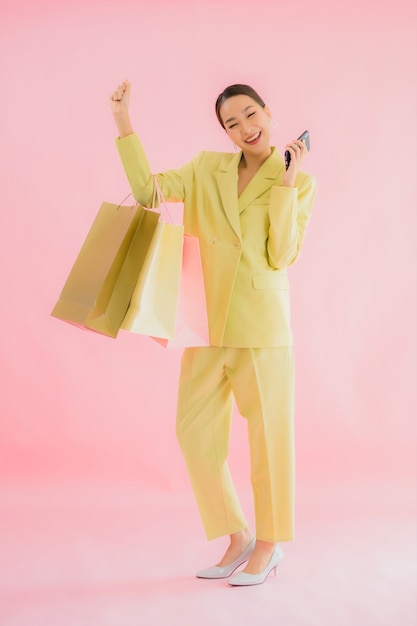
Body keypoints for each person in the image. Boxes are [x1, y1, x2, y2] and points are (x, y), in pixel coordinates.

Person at [110, 80, 316, 586]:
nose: (246, 128)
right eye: (232, 123)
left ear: (268, 111)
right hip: (202, 323)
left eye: (251, 115)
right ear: (223, 131)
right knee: (194, 432)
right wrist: (123, 122)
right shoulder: (206, 168)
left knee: (269, 440)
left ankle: (268, 545)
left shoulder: (297, 181)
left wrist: (287, 185)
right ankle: (236, 534)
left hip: (261, 329)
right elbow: (147, 192)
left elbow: (281, 255)